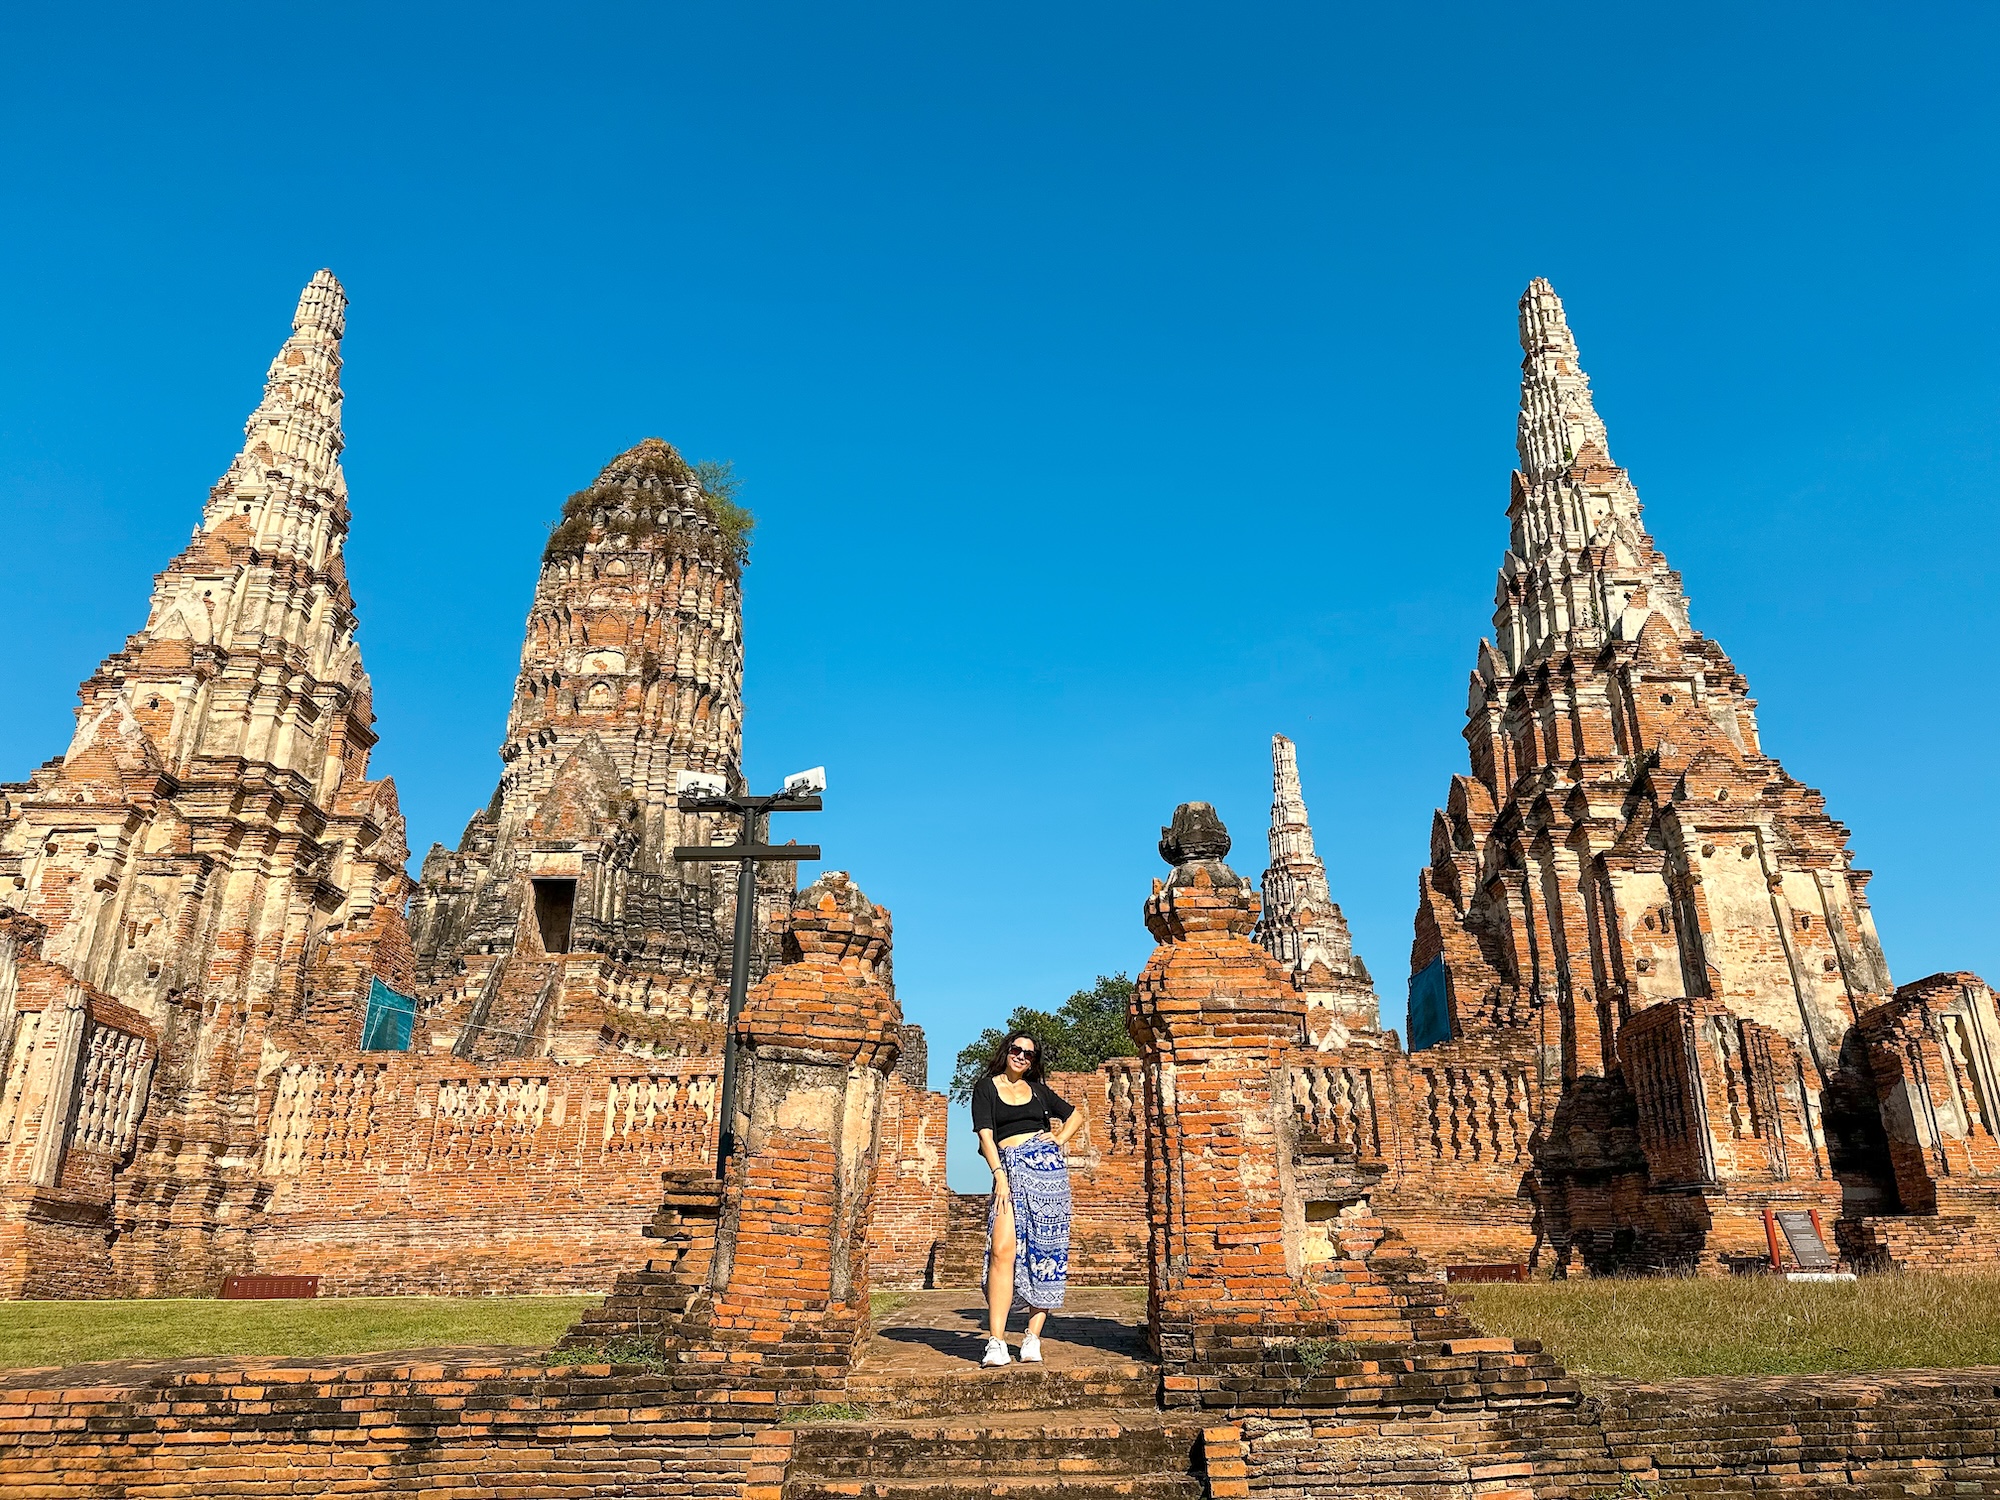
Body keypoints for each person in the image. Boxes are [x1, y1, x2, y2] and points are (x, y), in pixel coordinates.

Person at [970, 1029, 1083, 1367]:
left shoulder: (1037, 1091)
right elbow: (986, 1138)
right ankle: (996, 1342)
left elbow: (1075, 1115)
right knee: (1002, 1250)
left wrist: (1059, 1137)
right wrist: (998, 1175)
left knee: (1046, 1252)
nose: (1021, 1056)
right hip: (1009, 1170)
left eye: (1029, 1053)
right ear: (1006, 1051)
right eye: (1016, 1049)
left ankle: (1033, 1337)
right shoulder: (986, 1087)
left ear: (1034, 1061)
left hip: (1047, 1174)